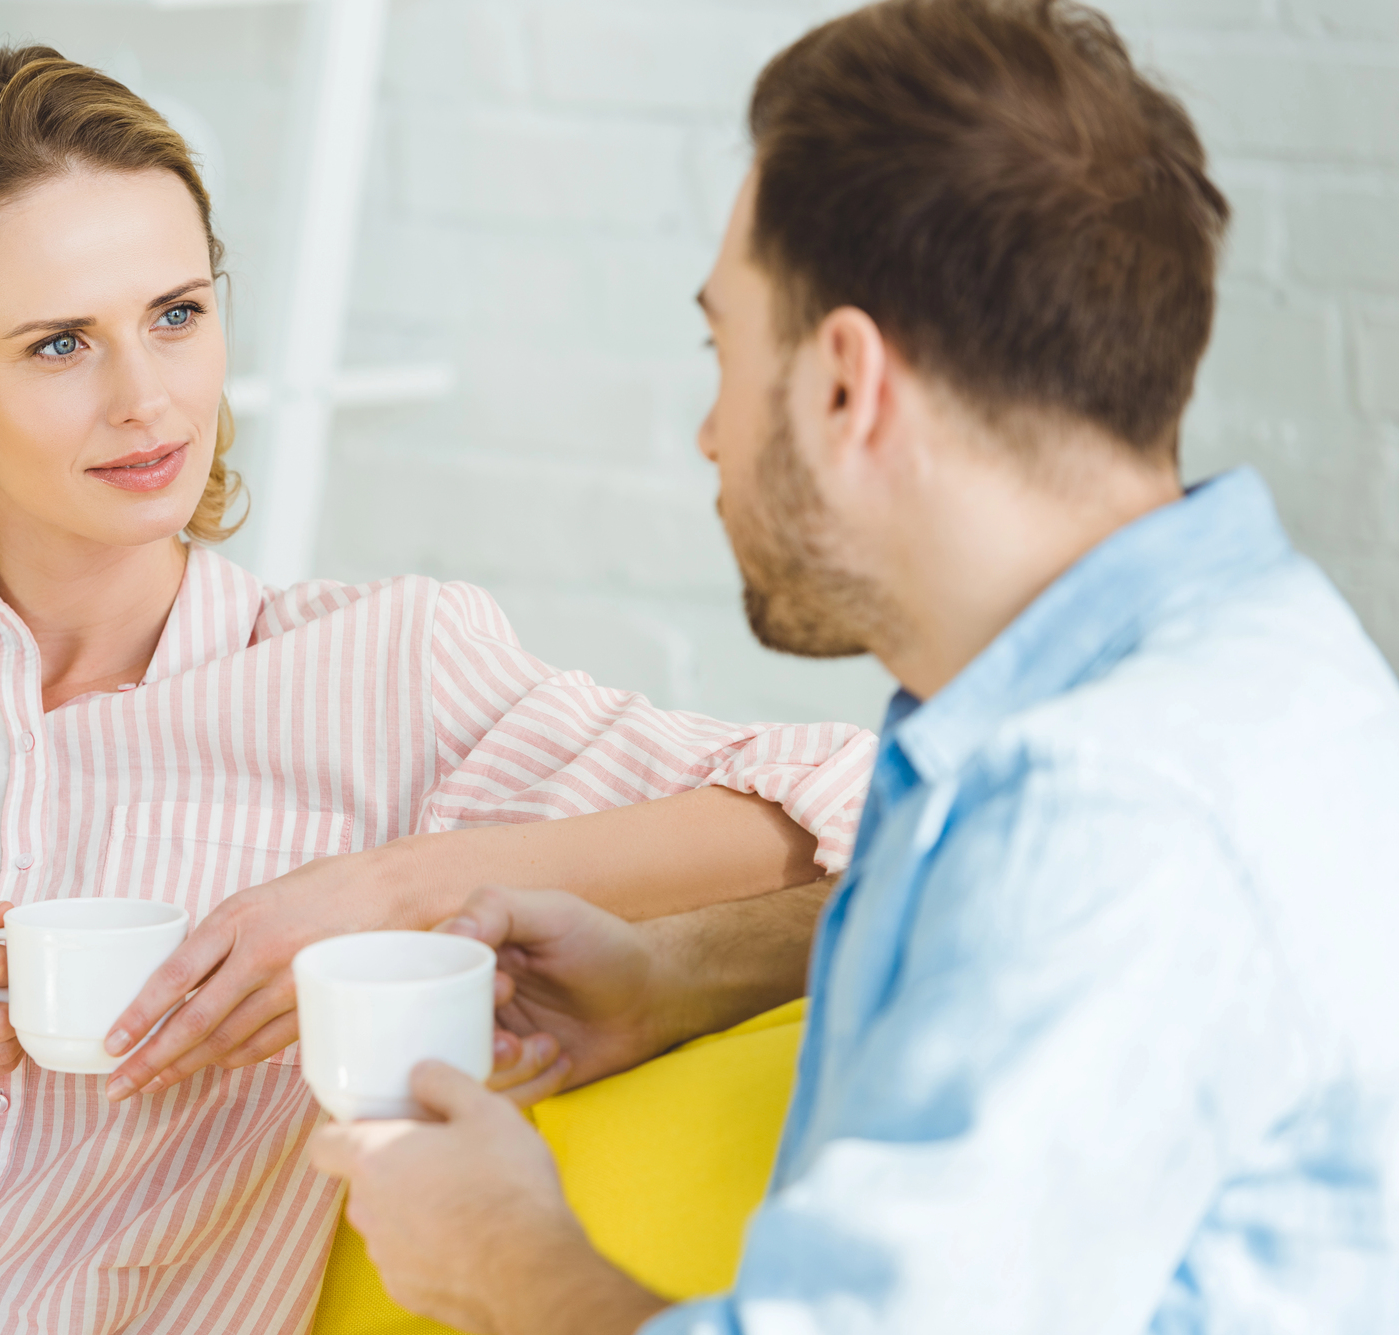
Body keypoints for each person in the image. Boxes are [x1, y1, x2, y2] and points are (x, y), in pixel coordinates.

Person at [0, 46, 873, 1334]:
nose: (147, 399)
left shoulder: (378, 674)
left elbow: (866, 807)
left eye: (178, 315)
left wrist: (392, 886)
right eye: (61, 343)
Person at [312, 1, 1399, 1331]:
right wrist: (676, 975)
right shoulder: (1253, 659)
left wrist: (498, 1257)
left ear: (845, 384)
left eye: (724, 350)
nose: (711, 435)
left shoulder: (1103, 814)